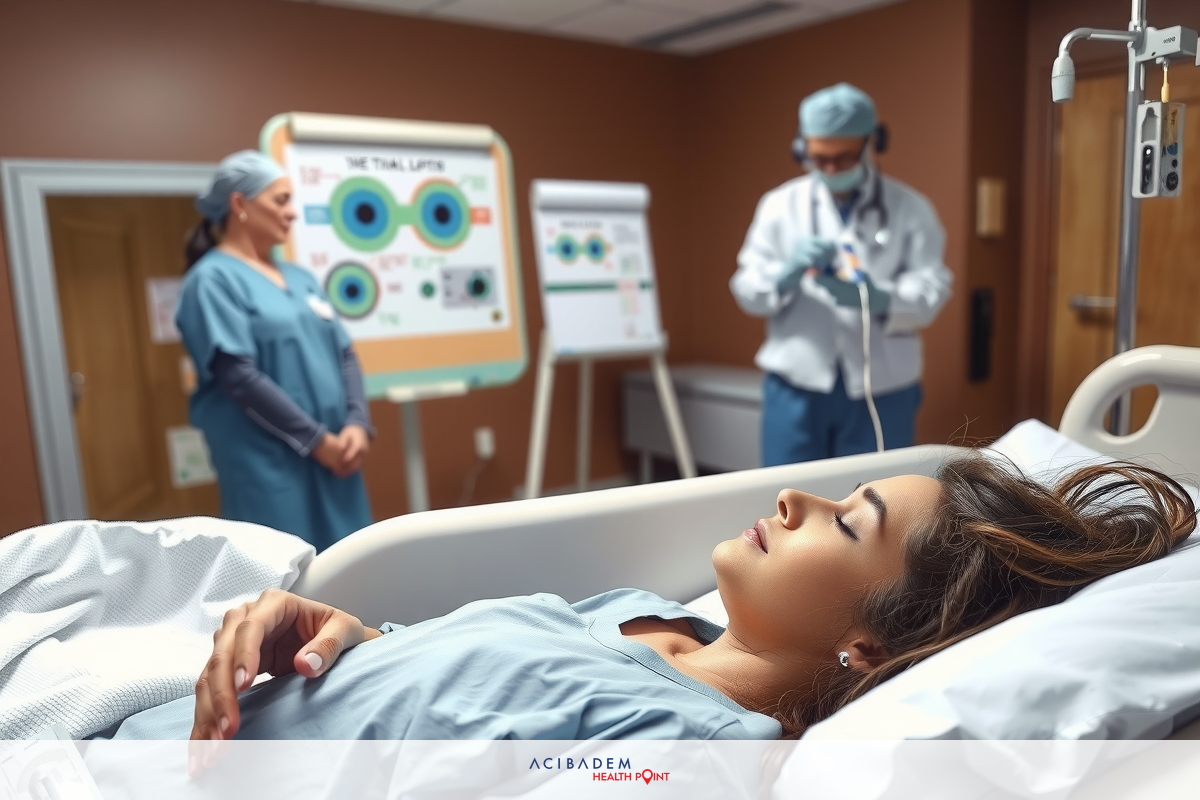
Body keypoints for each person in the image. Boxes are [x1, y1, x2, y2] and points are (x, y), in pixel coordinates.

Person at [108, 455, 1195, 742]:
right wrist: (355, 637)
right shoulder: (648, 613)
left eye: (845, 518)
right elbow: (465, 700)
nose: (792, 494)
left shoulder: (686, 744)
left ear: (870, 642)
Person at [730, 83, 953, 466]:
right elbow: (746, 287)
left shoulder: (910, 208)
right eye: (819, 158)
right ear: (803, 147)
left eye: (844, 158)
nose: (831, 169)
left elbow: (932, 289)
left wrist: (879, 297)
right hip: (795, 386)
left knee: (876, 502)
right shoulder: (779, 205)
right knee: (787, 500)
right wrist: (784, 275)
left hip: (882, 389)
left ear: (872, 143)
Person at [176, 151, 373, 551]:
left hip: (338, 455)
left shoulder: (300, 278)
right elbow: (239, 377)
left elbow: (345, 354)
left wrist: (357, 423)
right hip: (270, 461)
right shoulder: (212, 281)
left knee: (352, 565)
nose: (292, 213)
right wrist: (317, 442)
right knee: (289, 580)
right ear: (239, 204)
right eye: (280, 200)